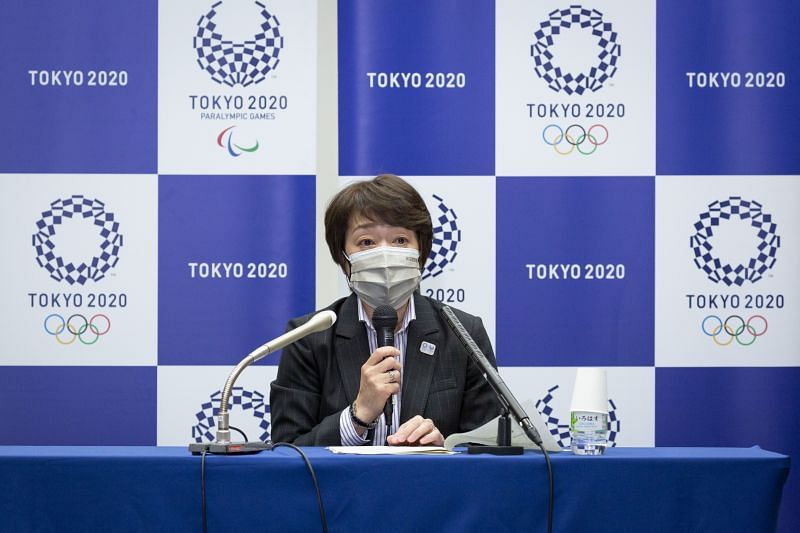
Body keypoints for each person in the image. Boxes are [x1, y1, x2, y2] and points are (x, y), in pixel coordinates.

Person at [269, 174, 500, 446]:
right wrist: (357, 416)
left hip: (432, 488)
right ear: (344, 259)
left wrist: (445, 450)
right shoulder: (307, 338)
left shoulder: (463, 334)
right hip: (342, 489)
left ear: (421, 252)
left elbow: (490, 449)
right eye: (366, 242)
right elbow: (286, 451)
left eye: (400, 240)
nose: (385, 254)